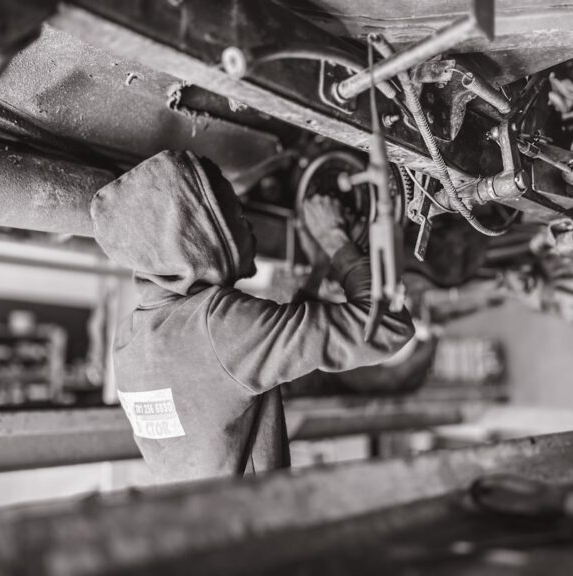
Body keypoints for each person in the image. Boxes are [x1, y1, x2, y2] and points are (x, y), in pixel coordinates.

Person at [91, 150, 415, 483]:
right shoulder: (215, 327)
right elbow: (386, 327)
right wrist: (336, 239)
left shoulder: (129, 341)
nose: (247, 223)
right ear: (197, 235)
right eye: (233, 213)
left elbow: (252, 365)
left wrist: (319, 269)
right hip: (255, 511)